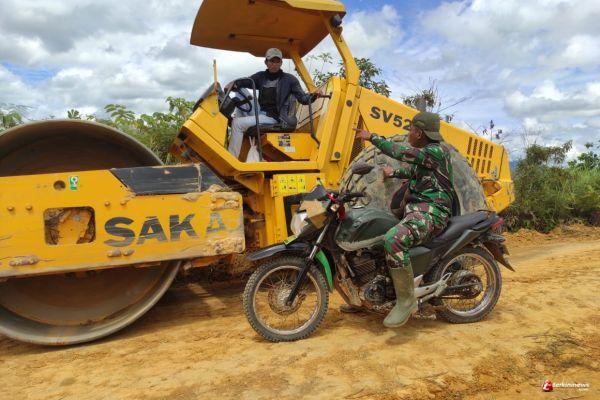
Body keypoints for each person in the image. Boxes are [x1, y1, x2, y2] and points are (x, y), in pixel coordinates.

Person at [353, 111, 455, 327]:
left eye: (411, 129)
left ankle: (407, 301)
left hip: (432, 212)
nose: (408, 133)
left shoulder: (436, 151)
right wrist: (393, 174)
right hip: (416, 209)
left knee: (394, 239)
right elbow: (415, 173)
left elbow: (400, 152)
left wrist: (372, 137)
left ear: (419, 133)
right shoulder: (427, 155)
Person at [225, 47, 324, 158]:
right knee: (240, 90)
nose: (274, 64)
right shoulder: (260, 76)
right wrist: (233, 83)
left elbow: (303, 98)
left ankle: (231, 158)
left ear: (281, 63)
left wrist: (314, 95)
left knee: (237, 124)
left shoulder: (289, 80)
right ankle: (241, 131)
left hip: (274, 117)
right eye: (272, 61)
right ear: (266, 62)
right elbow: (245, 81)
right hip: (260, 112)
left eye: (277, 61)